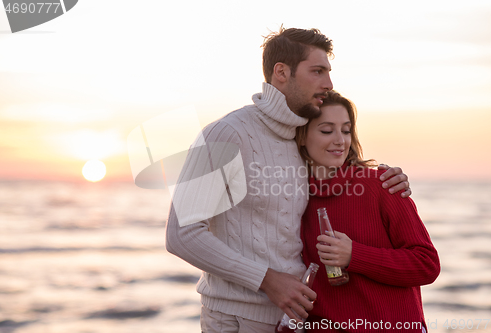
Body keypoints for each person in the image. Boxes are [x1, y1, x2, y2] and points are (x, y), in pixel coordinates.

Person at [165, 27, 411, 333]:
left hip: (294, 320)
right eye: (318, 71)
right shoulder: (226, 134)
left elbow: (340, 171)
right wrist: (267, 280)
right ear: (282, 72)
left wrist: (390, 179)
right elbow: (181, 234)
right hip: (236, 319)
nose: (329, 83)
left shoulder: (299, 137)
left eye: (329, 72)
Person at [296, 91, 440, 333]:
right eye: (326, 130)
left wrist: (355, 255)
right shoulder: (293, 200)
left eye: (346, 130)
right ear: (302, 136)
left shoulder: (381, 185)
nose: (340, 140)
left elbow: (427, 264)